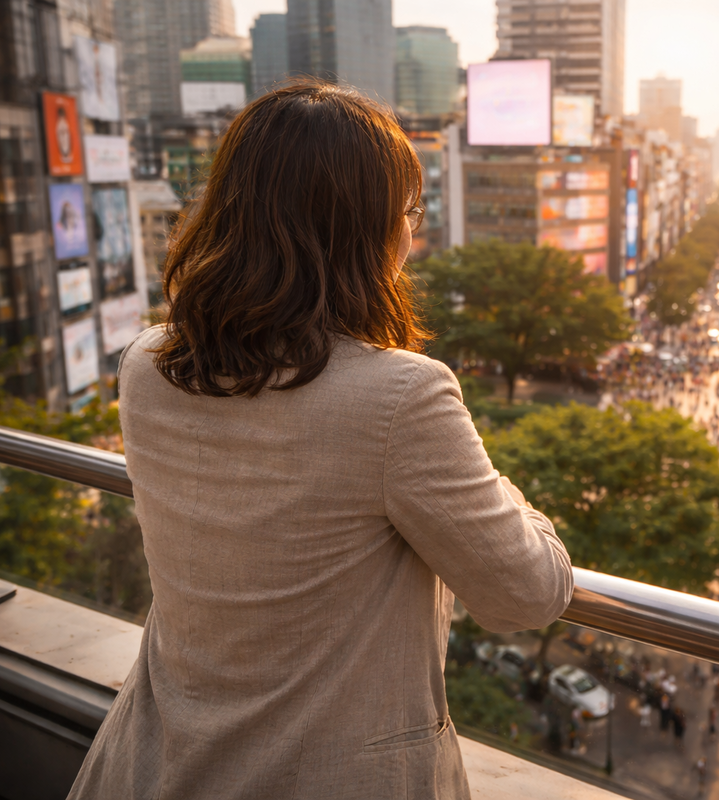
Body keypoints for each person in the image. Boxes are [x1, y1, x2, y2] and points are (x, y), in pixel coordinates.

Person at [66, 82, 574, 800]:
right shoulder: (399, 396)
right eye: (406, 214)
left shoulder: (148, 364)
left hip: (155, 762)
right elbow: (529, 594)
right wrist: (511, 495)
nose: (411, 236)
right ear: (364, 234)